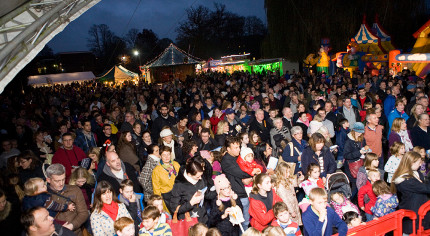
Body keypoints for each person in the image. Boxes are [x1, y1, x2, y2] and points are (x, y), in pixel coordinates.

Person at [391, 151, 430, 234]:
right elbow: (426, 188)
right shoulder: (406, 180)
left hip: (420, 214)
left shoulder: (416, 173)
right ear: (411, 162)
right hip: (412, 216)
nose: (420, 165)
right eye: (419, 162)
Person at [170, 156, 216, 223]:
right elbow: (174, 209)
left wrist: (218, 190)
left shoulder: (200, 179)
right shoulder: (179, 185)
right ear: (189, 174)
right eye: (197, 177)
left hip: (202, 219)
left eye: (201, 175)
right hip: (188, 222)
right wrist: (191, 203)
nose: (200, 178)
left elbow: (207, 194)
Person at [45, 164, 89, 235]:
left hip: (75, 233)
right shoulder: (43, 196)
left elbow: (84, 213)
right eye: (57, 181)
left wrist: (71, 226)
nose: (61, 183)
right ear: (48, 180)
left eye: (63, 179)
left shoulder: (75, 190)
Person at [221, 137, 252, 231]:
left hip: (243, 192)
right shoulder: (227, 160)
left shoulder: (236, 157)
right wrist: (253, 173)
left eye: (239, 147)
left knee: (246, 222)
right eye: (235, 147)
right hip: (237, 194)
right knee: (241, 224)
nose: (238, 149)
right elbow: (242, 173)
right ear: (228, 149)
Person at [151, 146, 180, 213]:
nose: (166, 157)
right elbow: (156, 189)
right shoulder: (157, 170)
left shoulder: (176, 165)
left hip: (178, 194)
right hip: (167, 197)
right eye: (164, 155)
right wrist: (160, 204)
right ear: (160, 156)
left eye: (168, 154)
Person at [343, 122, 368, 195]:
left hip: (360, 165)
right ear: (354, 131)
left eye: (361, 132)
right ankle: (351, 201)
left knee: (360, 185)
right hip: (352, 168)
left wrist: (366, 149)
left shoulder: (362, 139)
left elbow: (364, 146)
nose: (359, 134)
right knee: (355, 186)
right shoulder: (348, 141)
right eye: (358, 132)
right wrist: (359, 152)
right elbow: (346, 155)